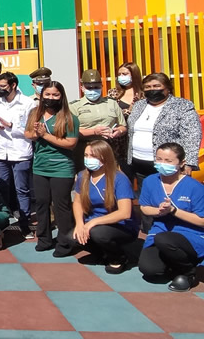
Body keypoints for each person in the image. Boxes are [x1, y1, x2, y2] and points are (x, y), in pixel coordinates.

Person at [62, 141, 137, 273]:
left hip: (121, 225)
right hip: (93, 222)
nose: (88, 159)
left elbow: (125, 213)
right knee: (72, 238)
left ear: (104, 157)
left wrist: (93, 222)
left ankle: (119, 257)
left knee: (99, 234)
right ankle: (103, 253)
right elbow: (78, 202)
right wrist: (80, 224)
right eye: (86, 155)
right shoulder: (83, 176)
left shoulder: (119, 178)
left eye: (93, 156)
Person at [138, 143, 204, 292]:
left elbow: (202, 220)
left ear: (181, 163)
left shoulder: (195, 187)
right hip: (160, 230)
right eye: (159, 159)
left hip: (189, 234)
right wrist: (158, 211)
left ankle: (188, 272)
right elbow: (144, 207)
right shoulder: (150, 181)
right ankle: (174, 264)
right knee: (149, 270)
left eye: (168, 161)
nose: (162, 164)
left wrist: (173, 211)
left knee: (164, 239)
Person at [25, 81, 80, 256]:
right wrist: (36, 133)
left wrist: (45, 135)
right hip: (40, 167)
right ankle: (44, 239)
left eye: (55, 95)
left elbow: (70, 143)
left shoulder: (69, 118)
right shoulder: (35, 113)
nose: (51, 98)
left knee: (61, 205)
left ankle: (65, 243)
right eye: (47, 94)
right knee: (41, 203)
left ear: (61, 96)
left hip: (61, 167)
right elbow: (27, 134)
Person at [0, 72, 36, 238]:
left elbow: (30, 130)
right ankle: (3, 223)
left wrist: (11, 126)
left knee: (22, 189)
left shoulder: (28, 103)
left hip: (20, 152)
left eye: (3, 86)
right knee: (1, 187)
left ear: (13, 85)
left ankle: (25, 223)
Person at [127, 73, 201, 185]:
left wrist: (189, 163)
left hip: (168, 166)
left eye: (156, 86)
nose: (152, 89)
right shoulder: (138, 105)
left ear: (168, 88)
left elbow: (192, 135)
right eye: (147, 87)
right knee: (147, 194)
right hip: (138, 164)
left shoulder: (182, 106)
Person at [69, 69, 127, 172]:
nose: (93, 90)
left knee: (109, 176)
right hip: (84, 148)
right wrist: (94, 131)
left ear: (101, 86)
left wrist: (119, 131)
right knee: (85, 176)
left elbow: (123, 126)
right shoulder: (74, 106)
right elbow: (71, 131)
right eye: (89, 87)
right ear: (82, 88)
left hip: (108, 147)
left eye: (96, 87)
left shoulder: (112, 103)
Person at [106, 62, 144, 179]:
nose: (121, 77)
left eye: (125, 74)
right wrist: (129, 111)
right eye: (119, 74)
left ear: (134, 75)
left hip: (138, 138)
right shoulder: (114, 93)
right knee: (124, 175)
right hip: (119, 141)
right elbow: (111, 114)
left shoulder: (143, 93)